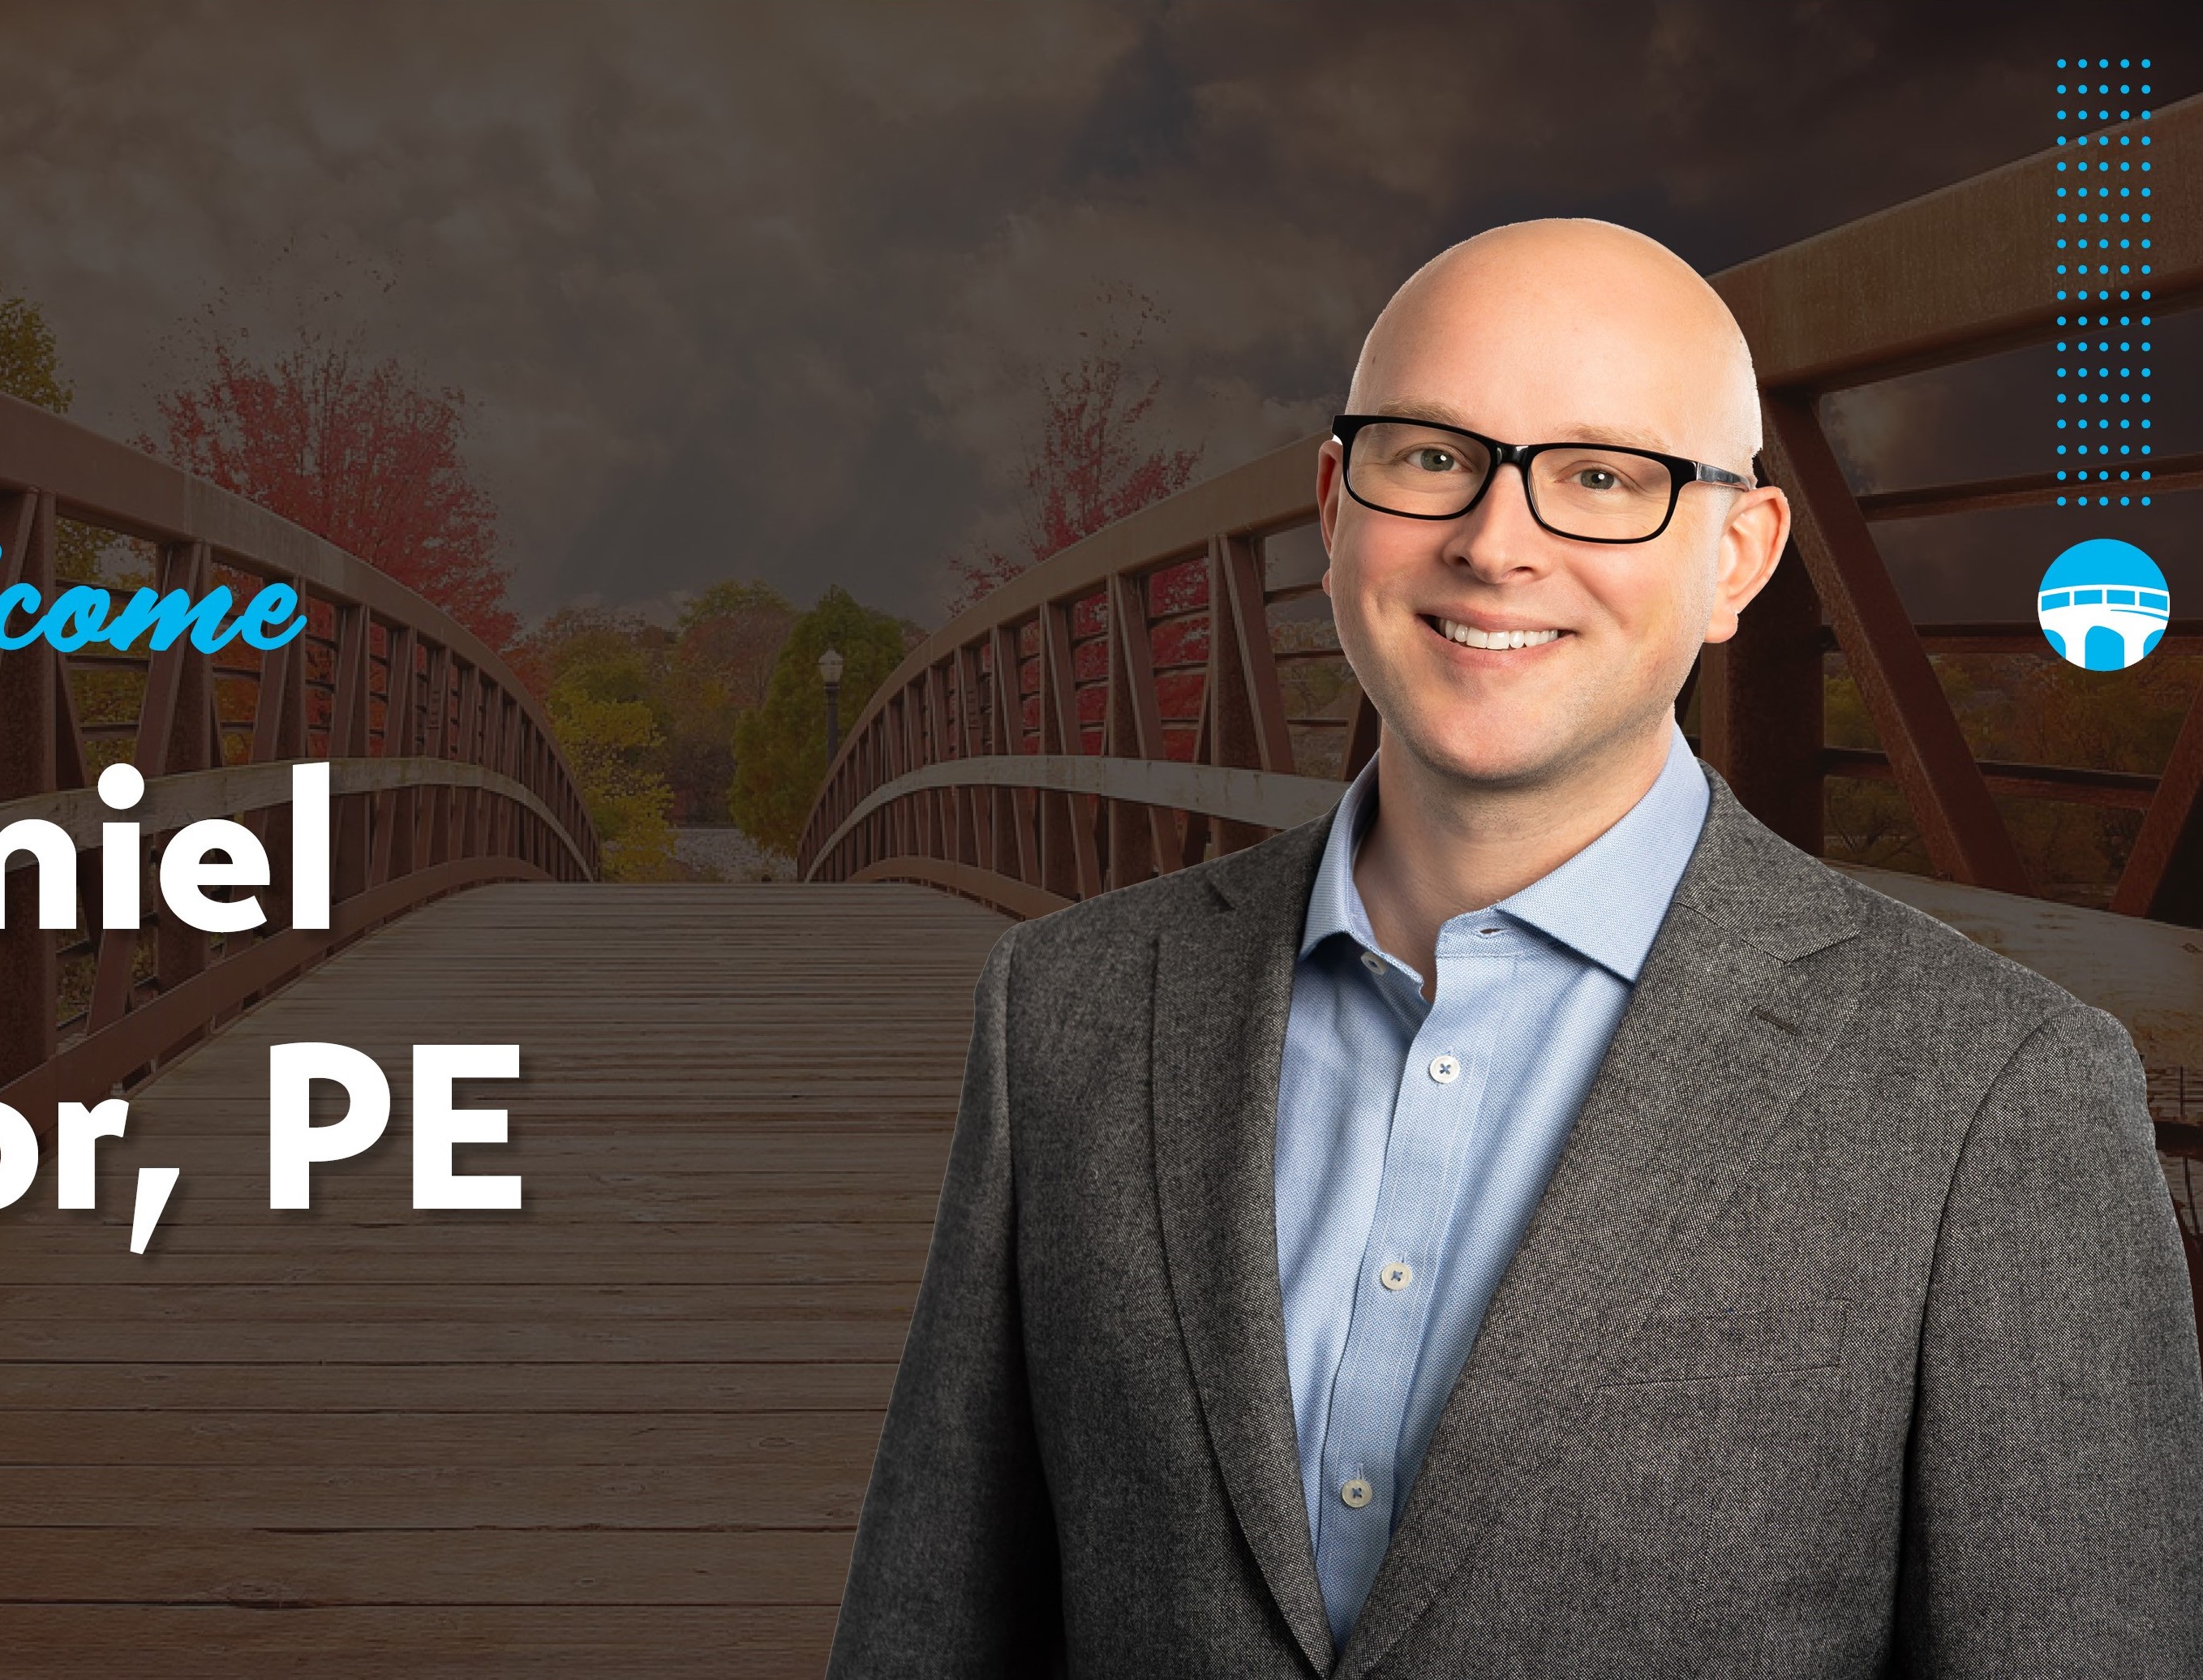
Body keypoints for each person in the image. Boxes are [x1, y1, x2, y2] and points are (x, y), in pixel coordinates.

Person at [826, 218, 2203, 1677]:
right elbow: (930, 1621)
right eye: (1432, 456)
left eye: (1604, 478)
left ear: (1741, 558)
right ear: (1333, 504)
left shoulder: (1998, 1091)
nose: (1496, 542)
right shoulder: (1071, 1005)